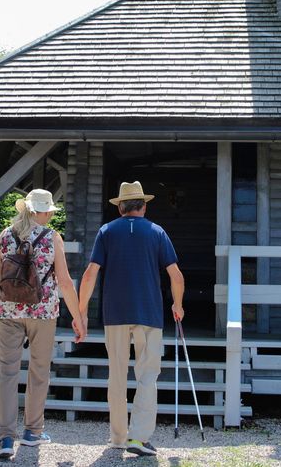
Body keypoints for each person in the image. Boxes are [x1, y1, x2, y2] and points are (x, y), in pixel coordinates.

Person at [78, 180, 185, 457]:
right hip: (149, 313)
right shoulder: (157, 232)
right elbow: (176, 275)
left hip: (115, 314)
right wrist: (178, 304)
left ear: (120, 207)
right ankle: (138, 438)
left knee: (116, 375)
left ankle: (117, 438)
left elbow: (90, 273)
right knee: (147, 376)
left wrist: (81, 311)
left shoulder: (106, 231)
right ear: (144, 206)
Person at [0, 188, 86, 461]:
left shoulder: (5, 235)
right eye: (49, 210)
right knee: (39, 371)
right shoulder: (52, 237)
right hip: (43, 312)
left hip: (8, 311)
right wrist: (77, 317)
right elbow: (64, 281)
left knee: (6, 373)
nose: (51, 214)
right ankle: (32, 432)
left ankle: (5, 438)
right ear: (42, 211)